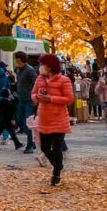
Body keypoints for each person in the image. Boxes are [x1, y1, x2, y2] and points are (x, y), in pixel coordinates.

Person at [32, 54, 74, 186]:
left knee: (57, 147)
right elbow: (33, 93)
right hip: (43, 118)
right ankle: (57, 165)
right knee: (44, 147)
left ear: (49, 66)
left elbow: (69, 98)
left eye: (42, 65)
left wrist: (51, 99)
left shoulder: (63, 80)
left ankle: (56, 173)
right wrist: (37, 97)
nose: (40, 67)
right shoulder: (40, 79)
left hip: (58, 119)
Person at [14, 52, 38, 153]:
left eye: (17, 60)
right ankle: (33, 142)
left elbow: (36, 83)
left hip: (29, 99)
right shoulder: (19, 69)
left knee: (28, 122)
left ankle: (30, 144)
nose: (16, 61)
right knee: (20, 121)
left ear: (21, 60)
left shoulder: (30, 70)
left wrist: (34, 97)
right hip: (21, 98)